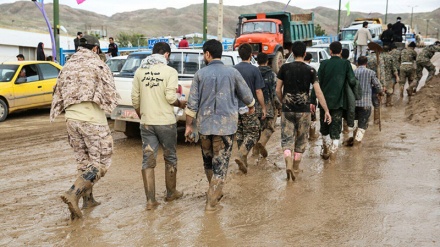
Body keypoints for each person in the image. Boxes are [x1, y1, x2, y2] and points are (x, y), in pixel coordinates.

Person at [50, 35, 121, 220]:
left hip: (71, 119)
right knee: (101, 162)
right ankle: (73, 193)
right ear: (95, 49)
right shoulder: (97, 64)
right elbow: (110, 91)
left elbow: (56, 92)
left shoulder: (67, 66)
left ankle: (87, 201)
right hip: (91, 119)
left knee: (84, 162)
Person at [184, 39, 255, 211]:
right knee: (220, 167)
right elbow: (248, 97)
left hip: (205, 127)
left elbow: (191, 104)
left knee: (208, 164)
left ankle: (213, 191)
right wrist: (251, 108)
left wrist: (188, 127)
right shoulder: (232, 73)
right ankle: (211, 202)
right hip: (225, 128)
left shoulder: (200, 75)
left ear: (207, 54)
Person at [132, 42, 185, 210]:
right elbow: (170, 97)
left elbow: (135, 98)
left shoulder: (140, 71)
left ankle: (150, 200)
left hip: (147, 122)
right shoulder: (170, 71)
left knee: (148, 159)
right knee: (170, 157)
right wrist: (180, 103)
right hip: (166, 123)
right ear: (167, 55)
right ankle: (171, 194)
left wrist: (142, 115)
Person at [276, 41, 331, 181]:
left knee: (287, 139)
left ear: (292, 53)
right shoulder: (311, 70)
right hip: (303, 111)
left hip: (287, 109)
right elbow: (318, 93)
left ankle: (288, 161)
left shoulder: (284, 68)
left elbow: (277, 90)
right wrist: (326, 110)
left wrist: (282, 102)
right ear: (305, 53)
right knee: (300, 141)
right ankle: (295, 167)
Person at [311, 41, 357, 161]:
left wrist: (313, 100)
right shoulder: (345, 64)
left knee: (325, 127)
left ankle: (325, 149)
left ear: (330, 51)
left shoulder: (324, 63)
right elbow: (352, 81)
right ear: (341, 51)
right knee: (336, 129)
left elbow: (316, 82)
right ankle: (333, 154)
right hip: (339, 103)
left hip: (323, 103)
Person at [233, 43, 267, 174]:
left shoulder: (233, 69)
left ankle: (243, 165)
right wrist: (263, 107)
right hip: (249, 108)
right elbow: (258, 91)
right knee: (253, 133)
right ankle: (241, 154)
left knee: (240, 135)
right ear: (251, 55)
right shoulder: (254, 70)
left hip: (235, 108)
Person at [344, 56, 383, 147]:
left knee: (354, 122)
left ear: (357, 63)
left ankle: (352, 139)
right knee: (363, 123)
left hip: (353, 103)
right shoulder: (371, 73)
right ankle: (356, 144)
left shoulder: (353, 73)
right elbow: (377, 86)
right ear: (366, 63)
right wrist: (380, 92)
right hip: (365, 103)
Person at [252, 52, 281, 158]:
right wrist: (279, 106)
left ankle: (254, 154)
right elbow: (274, 93)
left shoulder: (254, 73)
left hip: (254, 107)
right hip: (268, 107)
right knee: (269, 128)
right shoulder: (272, 74)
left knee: (257, 130)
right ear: (267, 61)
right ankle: (262, 143)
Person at [366, 50, 385, 124]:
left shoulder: (366, 58)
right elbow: (382, 73)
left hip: (367, 84)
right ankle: (376, 121)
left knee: (367, 103)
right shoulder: (379, 59)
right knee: (376, 103)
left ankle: (366, 121)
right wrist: (383, 85)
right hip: (376, 84)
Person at [304, 52, 318, 139]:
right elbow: (315, 85)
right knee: (312, 115)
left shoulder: (294, 67)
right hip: (310, 93)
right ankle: (312, 135)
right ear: (310, 60)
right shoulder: (312, 68)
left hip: (299, 94)